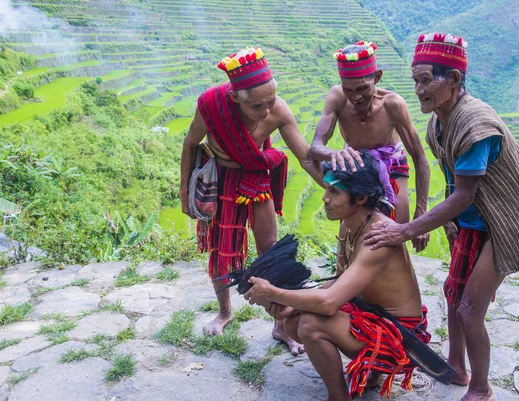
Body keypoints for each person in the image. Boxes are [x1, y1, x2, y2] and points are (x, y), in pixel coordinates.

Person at [363, 33, 519, 401]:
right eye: (415, 80)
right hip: (475, 220)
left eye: (426, 79)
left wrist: (406, 229)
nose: (418, 89)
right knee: (453, 295)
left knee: (469, 308)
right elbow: (454, 181)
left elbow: (465, 193)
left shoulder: (475, 126)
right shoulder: (439, 121)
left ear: (454, 81)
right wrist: (449, 221)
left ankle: (481, 388)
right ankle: (456, 366)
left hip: (507, 223)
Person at [244, 151, 431, 401]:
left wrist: (274, 293)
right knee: (292, 321)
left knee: (310, 323)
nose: (325, 198)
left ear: (361, 197)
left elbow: (331, 301)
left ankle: (339, 396)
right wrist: (290, 304)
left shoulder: (379, 236)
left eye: (335, 192)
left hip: (398, 332)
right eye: (327, 190)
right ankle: (372, 374)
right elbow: (339, 281)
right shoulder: (349, 223)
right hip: (370, 312)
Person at [179, 47, 322, 355]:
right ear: (235, 99)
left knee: (270, 251)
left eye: (271, 101)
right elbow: (191, 142)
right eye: (257, 105)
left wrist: (333, 188)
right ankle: (225, 311)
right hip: (222, 182)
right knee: (222, 253)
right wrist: (184, 194)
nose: (266, 110)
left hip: (256, 180)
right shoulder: (211, 105)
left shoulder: (279, 110)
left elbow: (307, 159)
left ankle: (281, 326)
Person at [309, 41, 430, 251]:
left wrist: (421, 214)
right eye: (349, 90)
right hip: (356, 169)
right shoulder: (337, 97)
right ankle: (347, 276)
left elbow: (420, 158)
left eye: (363, 88)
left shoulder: (393, 104)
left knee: (394, 233)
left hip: (391, 167)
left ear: (377, 77)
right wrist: (334, 155)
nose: (356, 97)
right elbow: (316, 147)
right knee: (350, 237)